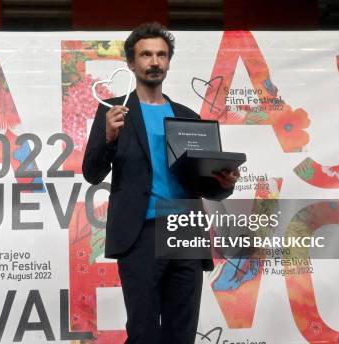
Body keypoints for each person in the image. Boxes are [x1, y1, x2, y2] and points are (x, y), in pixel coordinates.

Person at [82, 22, 239, 344]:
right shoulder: (112, 111)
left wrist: (224, 181)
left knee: (181, 333)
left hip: (186, 230)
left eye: (161, 55)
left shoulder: (188, 117)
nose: (154, 61)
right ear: (131, 63)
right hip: (140, 232)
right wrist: (110, 137)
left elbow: (207, 185)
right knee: (143, 333)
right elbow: (92, 173)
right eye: (146, 55)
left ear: (168, 62)